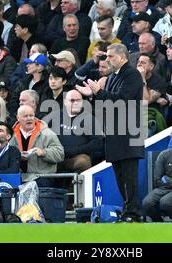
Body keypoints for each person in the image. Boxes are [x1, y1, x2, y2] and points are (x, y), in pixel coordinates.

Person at [76, 43, 145, 222]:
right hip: (115, 133)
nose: (107, 59)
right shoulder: (114, 76)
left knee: (129, 177)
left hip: (128, 133)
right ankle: (128, 210)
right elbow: (107, 104)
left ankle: (134, 214)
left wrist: (99, 92)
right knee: (120, 177)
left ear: (122, 57)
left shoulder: (132, 74)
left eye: (110, 56)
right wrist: (92, 95)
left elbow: (122, 101)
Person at [47, 90, 103, 174]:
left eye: (78, 100)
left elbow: (97, 142)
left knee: (83, 162)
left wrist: (76, 150)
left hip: (78, 157)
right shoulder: (53, 117)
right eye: (72, 100)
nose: (76, 103)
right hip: (57, 157)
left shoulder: (89, 118)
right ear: (65, 102)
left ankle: (74, 186)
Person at [10, 105, 64, 186]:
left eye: (31, 115)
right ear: (18, 118)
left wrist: (44, 152)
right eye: (25, 116)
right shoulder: (10, 134)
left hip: (41, 177)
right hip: (18, 177)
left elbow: (60, 154)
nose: (29, 118)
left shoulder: (48, 133)